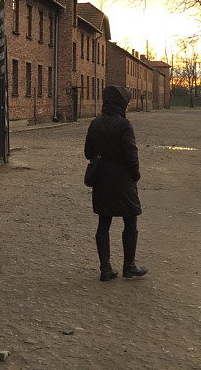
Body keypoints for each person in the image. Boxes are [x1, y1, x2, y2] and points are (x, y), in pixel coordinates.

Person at [84, 86, 147, 281]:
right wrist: (135, 175)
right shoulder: (124, 125)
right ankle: (129, 266)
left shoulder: (95, 124)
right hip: (122, 180)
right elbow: (131, 155)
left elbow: (88, 153)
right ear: (121, 104)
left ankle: (105, 269)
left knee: (104, 223)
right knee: (130, 220)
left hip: (102, 179)